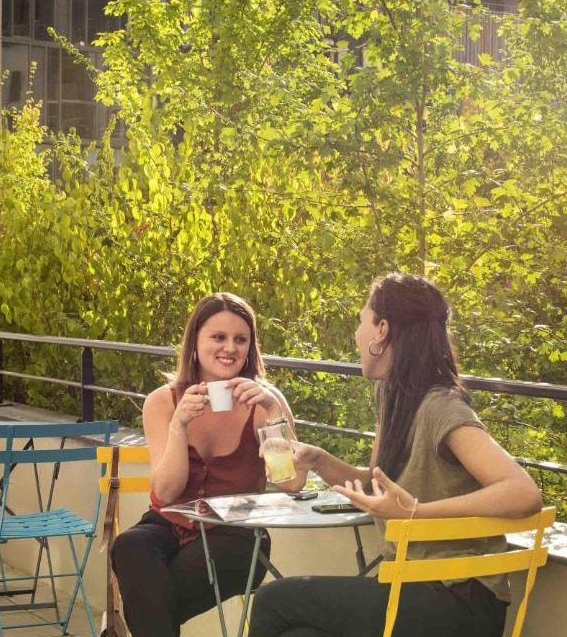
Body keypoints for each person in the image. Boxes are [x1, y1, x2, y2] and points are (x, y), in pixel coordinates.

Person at [249, 273, 543, 637]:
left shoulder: (440, 406)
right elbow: (378, 485)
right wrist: (320, 460)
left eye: (360, 321)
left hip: (460, 600)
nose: (356, 334)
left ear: (382, 330)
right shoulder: (393, 397)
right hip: (416, 590)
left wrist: (415, 513)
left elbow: (524, 492)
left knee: (273, 602)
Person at [110, 292, 302, 637]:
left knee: (151, 595)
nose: (230, 348)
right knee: (129, 546)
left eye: (240, 339)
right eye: (218, 337)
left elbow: (290, 482)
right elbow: (166, 492)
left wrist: (274, 415)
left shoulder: (264, 402)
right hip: (168, 522)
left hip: (235, 534)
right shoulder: (163, 401)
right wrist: (178, 425)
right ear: (195, 342)